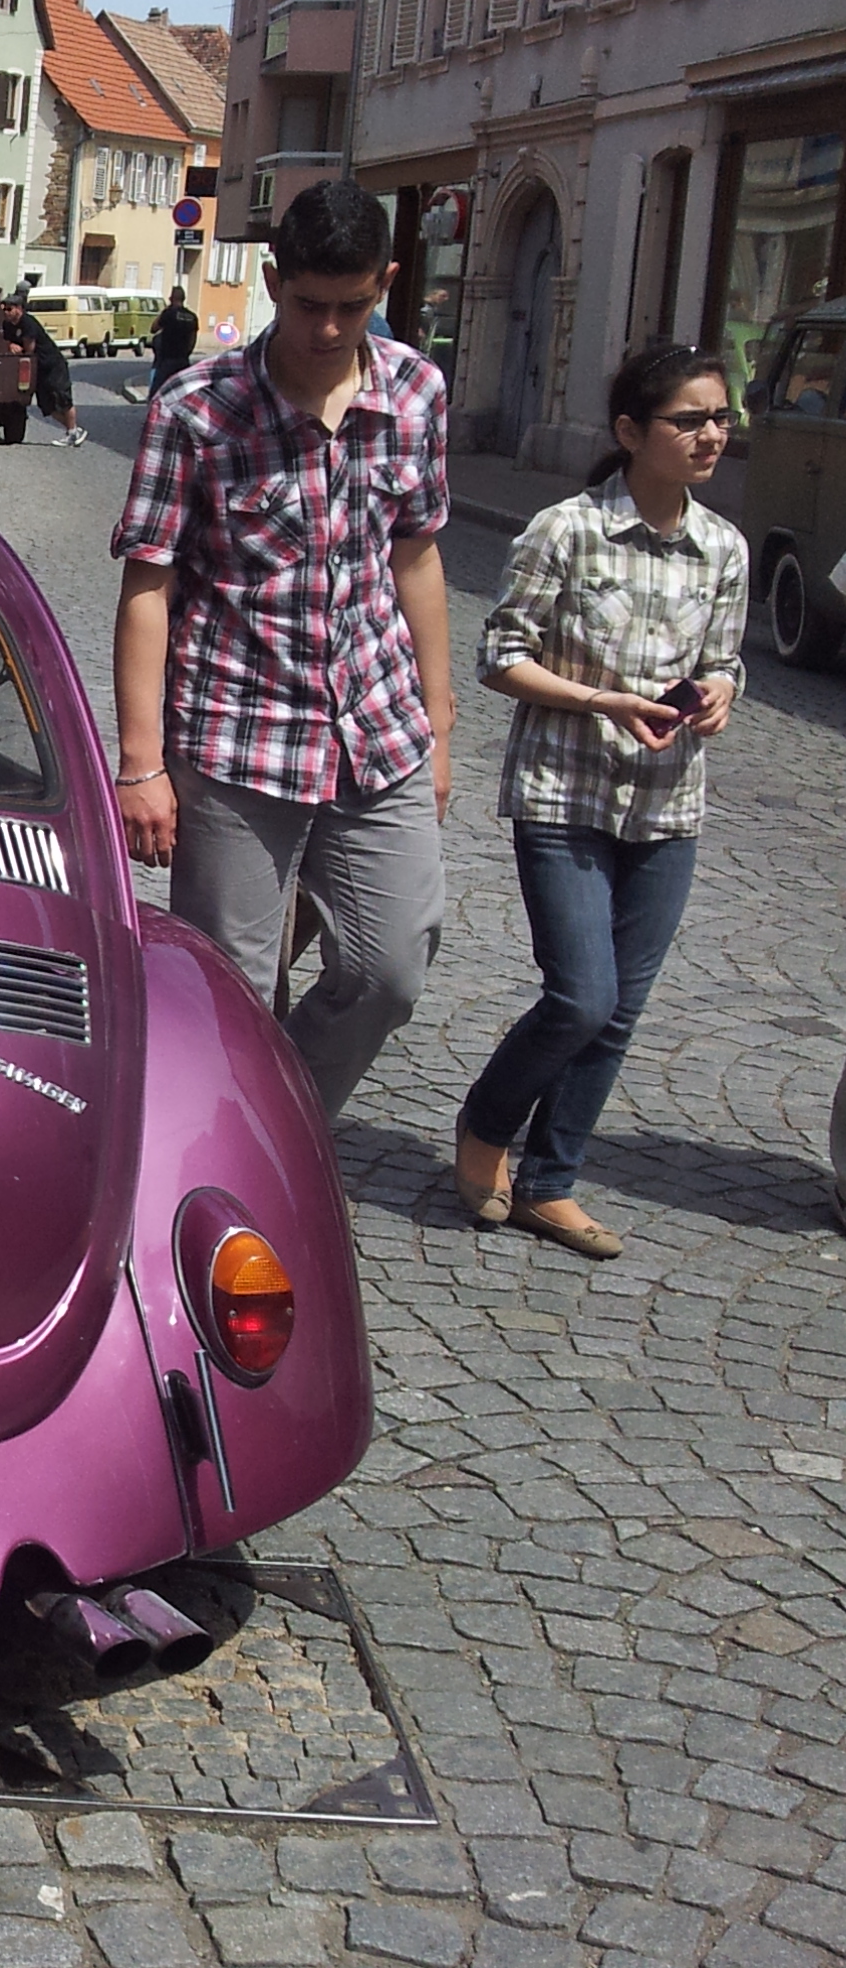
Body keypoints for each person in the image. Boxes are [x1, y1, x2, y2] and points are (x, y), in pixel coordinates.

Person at [107, 176, 456, 1122]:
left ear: (385, 283)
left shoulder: (416, 392)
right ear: (272, 281)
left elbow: (418, 557)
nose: (329, 328)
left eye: (353, 305)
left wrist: (439, 723)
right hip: (237, 735)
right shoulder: (197, 409)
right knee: (230, 993)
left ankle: (281, 1122)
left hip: (378, 730)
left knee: (390, 969)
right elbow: (148, 586)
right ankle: (232, 1157)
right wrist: (142, 764)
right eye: (309, 305)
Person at [451, 344, 746, 1258]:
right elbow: (500, 655)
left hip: (667, 805)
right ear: (630, 431)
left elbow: (724, 660)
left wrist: (720, 690)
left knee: (620, 1011)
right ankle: (487, 1125)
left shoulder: (724, 547)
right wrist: (601, 700)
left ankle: (550, 1183)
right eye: (688, 420)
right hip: (564, 792)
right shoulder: (566, 530)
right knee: (582, 996)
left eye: (720, 417)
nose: (710, 435)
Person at [0, 296, 84, 446]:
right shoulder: (7, 325)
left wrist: (19, 349)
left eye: (9, 309)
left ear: (18, 309)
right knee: (46, 405)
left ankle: (72, 432)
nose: (6, 312)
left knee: (62, 397)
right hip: (38, 368)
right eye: (4, 309)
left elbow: (29, 349)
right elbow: (4, 340)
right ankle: (74, 430)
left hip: (52, 364)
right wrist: (9, 344)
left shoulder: (28, 323)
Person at [148, 286, 199, 399]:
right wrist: (186, 353)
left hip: (167, 359)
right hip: (183, 361)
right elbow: (192, 340)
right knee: (184, 393)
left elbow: (154, 328)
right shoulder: (192, 317)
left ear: (171, 298)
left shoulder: (168, 313)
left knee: (155, 394)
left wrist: (165, 310)